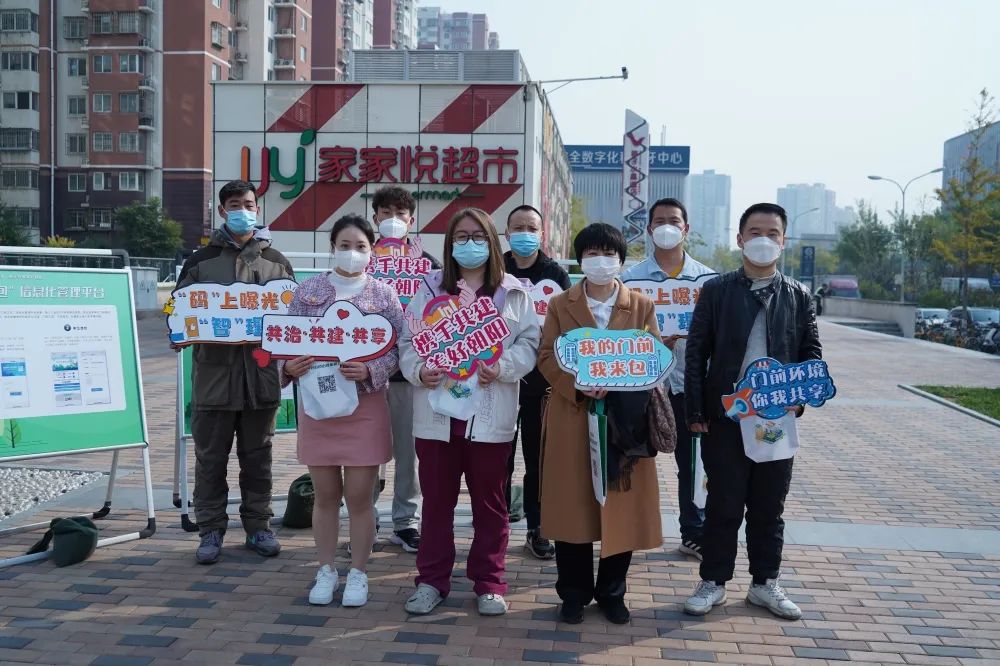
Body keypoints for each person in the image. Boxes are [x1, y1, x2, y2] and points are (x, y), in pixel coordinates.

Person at [682, 203, 822, 620]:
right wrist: (695, 410)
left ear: (784, 241)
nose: (764, 240)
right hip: (727, 416)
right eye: (755, 232)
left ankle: (765, 583)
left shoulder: (798, 295)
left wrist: (799, 397)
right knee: (723, 504)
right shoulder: (717, 290)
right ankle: (713, 581)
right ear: (740, 238)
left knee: (769, 506)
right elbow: (696, 354)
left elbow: (811, 353)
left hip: (776, 418)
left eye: (772, 233)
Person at [399, 207, 540, 617]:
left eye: (478, 236)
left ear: (492, 242)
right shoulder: (428, 288)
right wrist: (419, 370)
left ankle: (490, 582)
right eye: (461, 237)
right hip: (437, 416)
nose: (470, 244)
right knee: (436, 505)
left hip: (490, 416)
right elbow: (408, 341)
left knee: (491, 506)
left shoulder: (514, 292)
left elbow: (530, 343)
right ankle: (431, 581)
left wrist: (504, 366)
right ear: (449, 243)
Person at [538, 223, 664, 625]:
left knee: (621, 507)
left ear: (621, 260)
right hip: (572, 416)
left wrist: (622, 380)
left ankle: (612, 592)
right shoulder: (561, 304)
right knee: (571, 507)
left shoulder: (641, 306)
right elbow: (546, 356)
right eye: (592, 253)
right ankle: (573, 593)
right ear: (580, 259)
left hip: (625, 422)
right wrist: (577, 384)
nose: (601, 261)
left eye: (608, 254)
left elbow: (652, 357)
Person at [280, 214, 404, 608]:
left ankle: (359, 573)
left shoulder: (384, 295)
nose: (352, 253)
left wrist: (372, 370)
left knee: (360, 497)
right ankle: (326, 569)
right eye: (345, 245)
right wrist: (288, 367)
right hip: (318, 405)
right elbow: (284, 340)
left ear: (372, 251)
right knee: (326, 495)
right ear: (332, 247)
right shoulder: (308, 291)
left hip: (365, 406)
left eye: (361, 246)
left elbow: (399, 349)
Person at [176, 180, 294, 565]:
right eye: (234, 204)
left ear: (257, 209)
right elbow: (177, 312)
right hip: (213, 383)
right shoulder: (200, 262)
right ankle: (210, 530)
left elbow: (292, 319)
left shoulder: (276, 262)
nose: (242, 210)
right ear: (223, 210)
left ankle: (259, 526)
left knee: (258, 461)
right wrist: (177, 332)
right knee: (210, 461)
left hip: (260, 381)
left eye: (248, 204)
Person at [621, 198, 715, 561]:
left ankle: (694, 532)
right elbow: (620, 332)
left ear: (686, 229)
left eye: (673, 221)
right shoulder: (630, 280)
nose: (666, 227)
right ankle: (628, 531)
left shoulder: (708, 281)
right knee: (633, 459)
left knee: (692, 463)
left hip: (690, 385)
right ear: (648, 229)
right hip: (643, 386)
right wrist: (652, 342)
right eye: (659, 221)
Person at [369, 186, 441, 554]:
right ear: (375, 218)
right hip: (364, 373)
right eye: (386, 212)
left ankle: (405, 522)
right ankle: (364, 521)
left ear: (411, 221)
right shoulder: (363, 260)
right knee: (365, 452)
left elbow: (442, 314)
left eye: (400, 213)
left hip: (409, 374)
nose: (393, 219)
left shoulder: (429, 265)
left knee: (408, 454)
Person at [502, 204, 571, 560]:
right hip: (497, 377)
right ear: (506, 233)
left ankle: (538, 526)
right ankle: (496, 522)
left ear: (541, 234)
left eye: (531, 228)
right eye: (518, 227)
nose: (525, 234)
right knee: (498, 456)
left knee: (538, 457)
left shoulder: (556, 274)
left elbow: (567, 325)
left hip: (541, 381)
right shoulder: (495, 269)